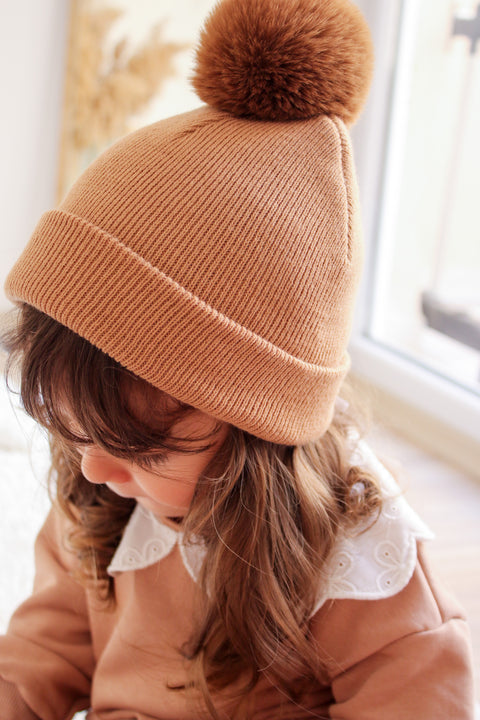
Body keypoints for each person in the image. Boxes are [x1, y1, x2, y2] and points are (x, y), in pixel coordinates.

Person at [0, 0, 475, 717]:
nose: (97, 467)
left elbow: (419, 701)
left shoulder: (358, 559)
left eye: (139, 450)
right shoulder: (100, 497)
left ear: (255, 433)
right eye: (73, 431)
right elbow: (43, 653)